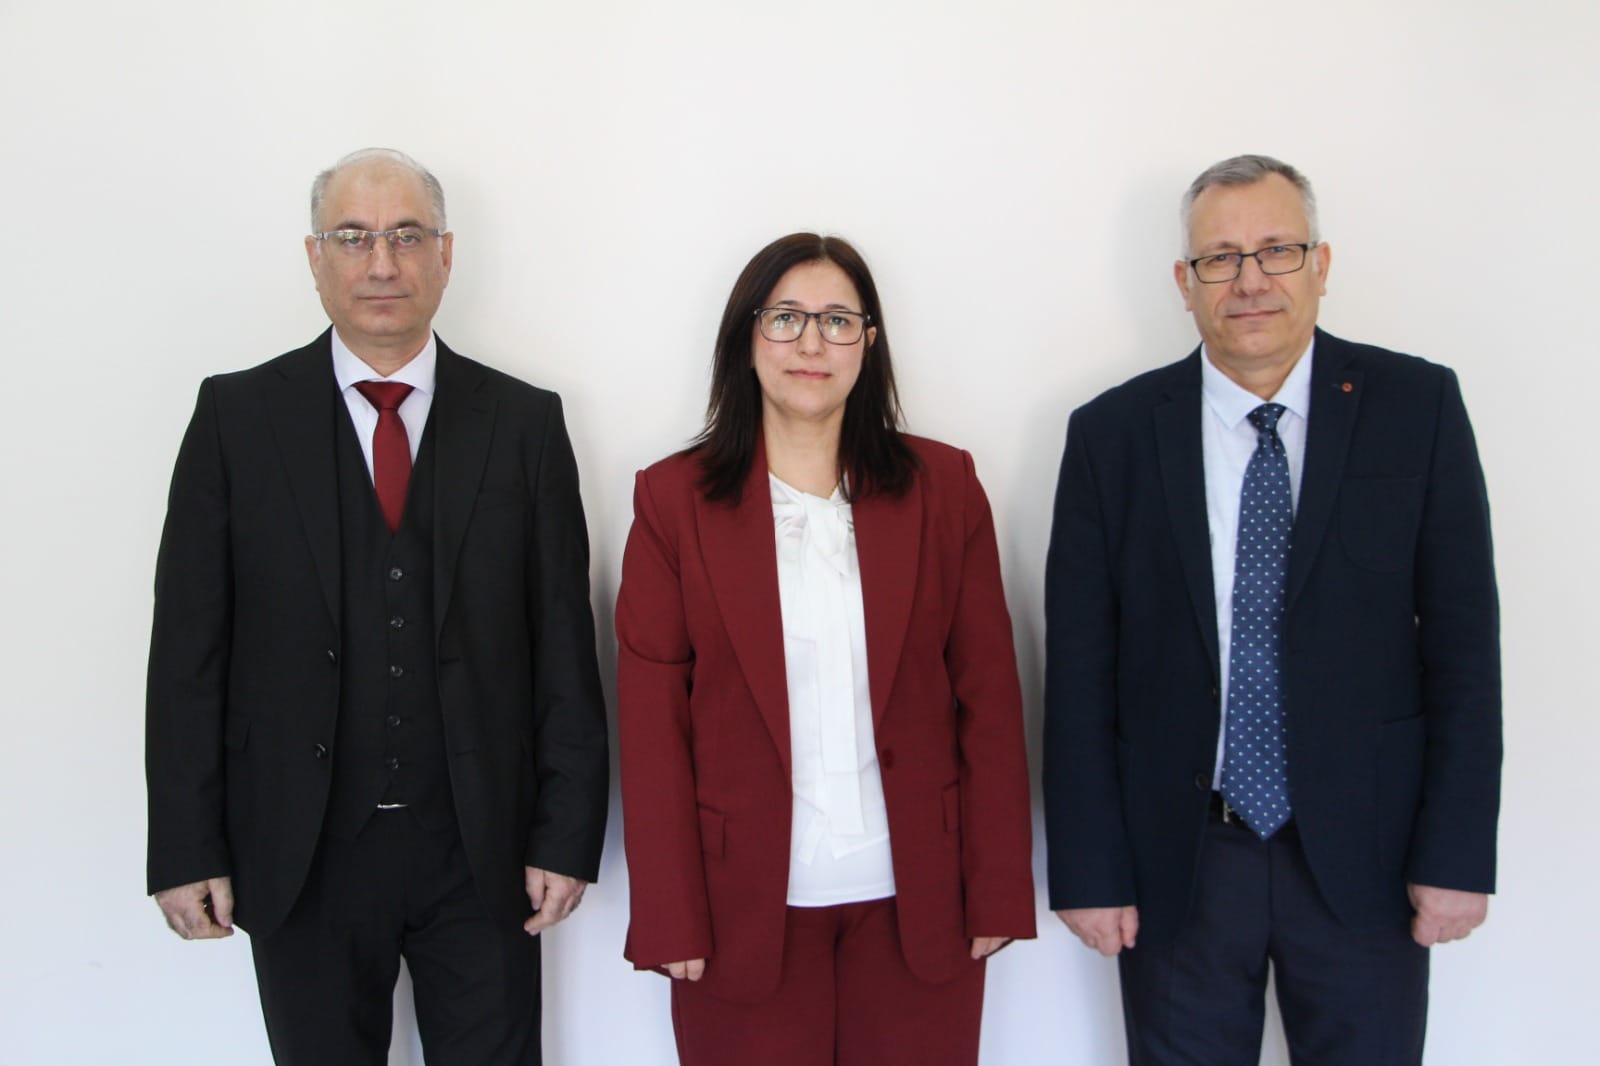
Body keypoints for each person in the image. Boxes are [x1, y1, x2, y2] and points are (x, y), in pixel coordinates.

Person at [144, 147, 610, 1064]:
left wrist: (566, 835)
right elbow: (189, 651)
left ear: (446, 254)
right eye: (354, 238)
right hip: (299, 850)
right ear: (314, 257)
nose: (382, 263)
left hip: (481, 850)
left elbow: (564, 643)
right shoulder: (236, 419)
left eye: (406, 236)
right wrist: (185, 846)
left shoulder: (523, 423)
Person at [1042, 154, 1501, 1064]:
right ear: (1185, 284)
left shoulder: (1417, 407)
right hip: (1181, 862)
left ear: (1320, 266)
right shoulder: (1112, 435)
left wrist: (1456, 854)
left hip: (1370, 857)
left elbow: (1464, 650)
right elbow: (1082, 671)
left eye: (1277, 250)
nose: (1250, 280)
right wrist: (1089, 869)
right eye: (1220, 258)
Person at [616, 233, 1036, 1066]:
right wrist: (667, 913)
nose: (811, 342)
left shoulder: (946, 487)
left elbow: (989, 698)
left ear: (868, 342)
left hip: (921, 905)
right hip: (739, 913)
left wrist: (997, 891)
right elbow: (652, 722)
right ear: (747, 337)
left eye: (838, 320)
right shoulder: (673, 501)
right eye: (786, 318)